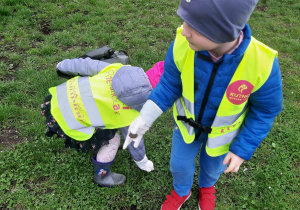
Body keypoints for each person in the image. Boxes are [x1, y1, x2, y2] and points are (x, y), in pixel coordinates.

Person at [123, 0, 283, 209]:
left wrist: (242, 149)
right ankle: (182, 191)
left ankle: (207, 187)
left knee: (212, 169)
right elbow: (170, 83)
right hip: (186, 126)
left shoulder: (263, 63)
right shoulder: (182, 44)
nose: (184, 32)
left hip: (223, 136)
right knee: (178, 165)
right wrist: (145, 117)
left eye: (194, 26)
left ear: (223, 32)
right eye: (185, 21)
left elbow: (265, 110)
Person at [41, 57, 164, 187]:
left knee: (107, 121)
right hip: (71, 119)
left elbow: (87, 64)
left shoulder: (118, 69)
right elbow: (133, 139)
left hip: (59, 100)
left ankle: (96, 143)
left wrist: (63, 65)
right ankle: (102, 175)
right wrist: (143, 162)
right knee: (113, 139)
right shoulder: (132, 113)